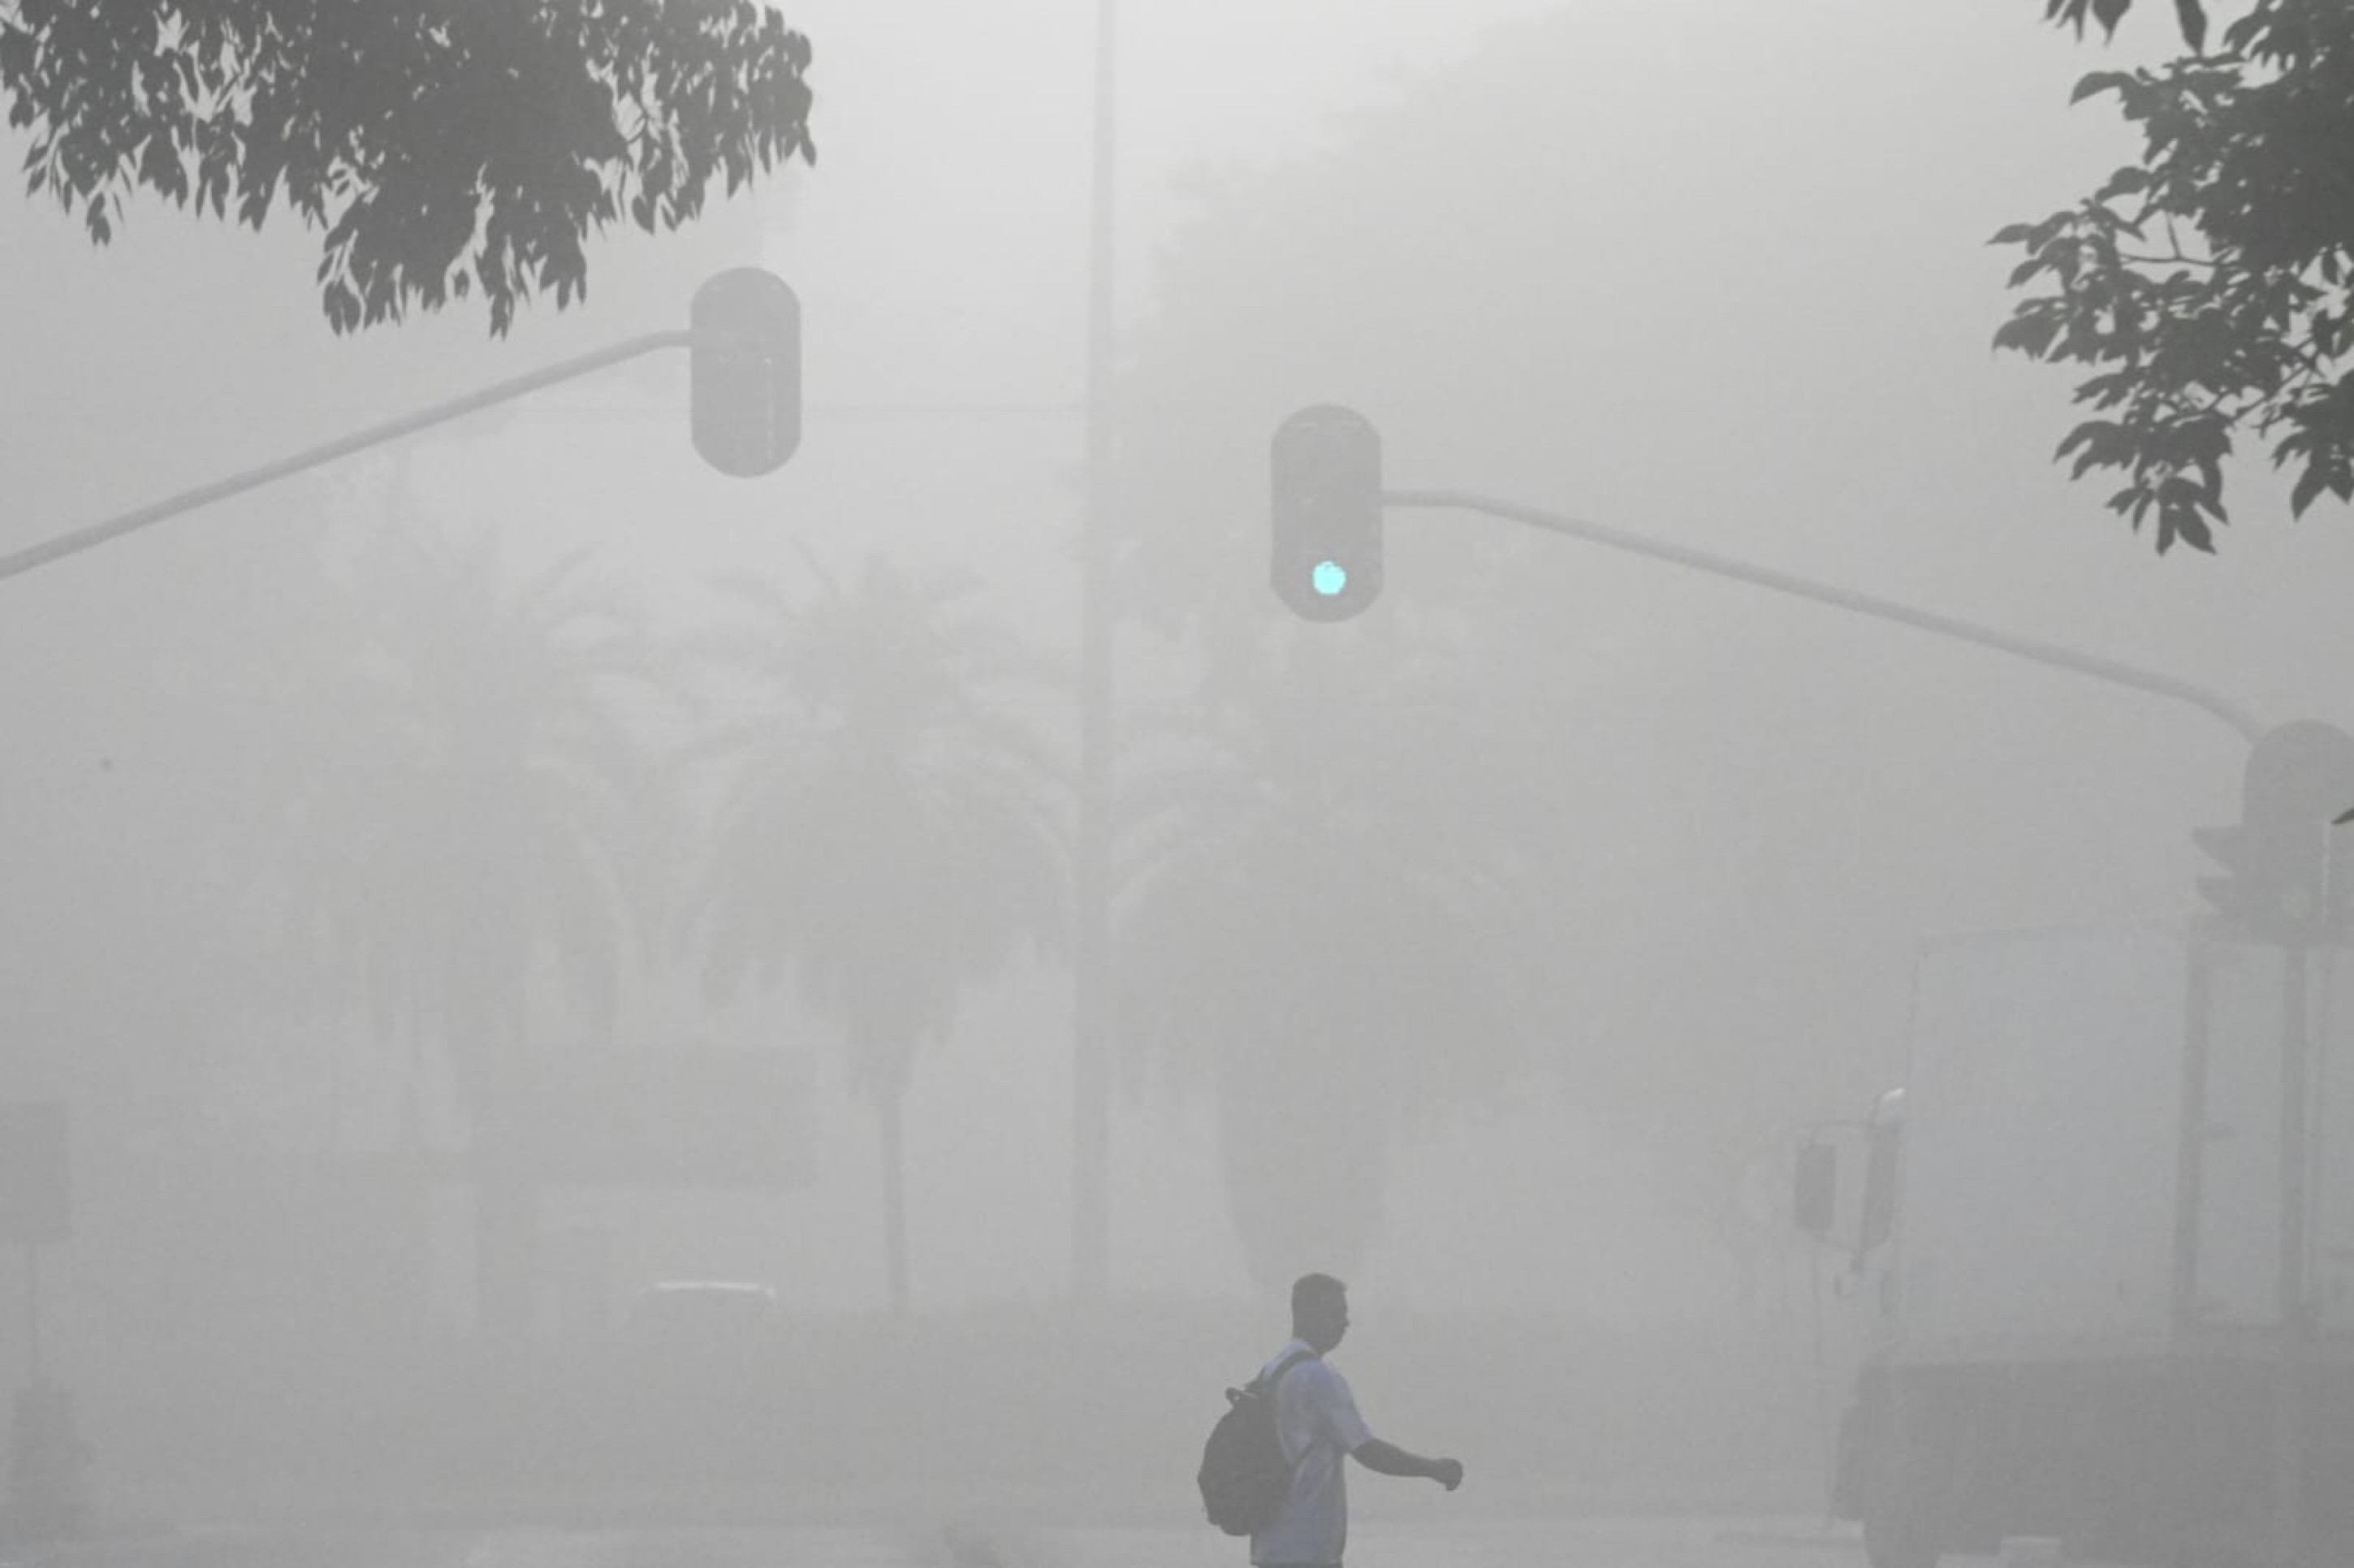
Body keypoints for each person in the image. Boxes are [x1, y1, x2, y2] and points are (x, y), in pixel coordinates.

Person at [1250, 1272, 1463, 1568]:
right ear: (1309, 1314)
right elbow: (1368, 1452)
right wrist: (1435, 1469)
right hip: (1307, 1550)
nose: (1345, 1322)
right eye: (1336, 1312)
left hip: (1271, 1545)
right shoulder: (1318, 1377)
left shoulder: (1273, 1370)